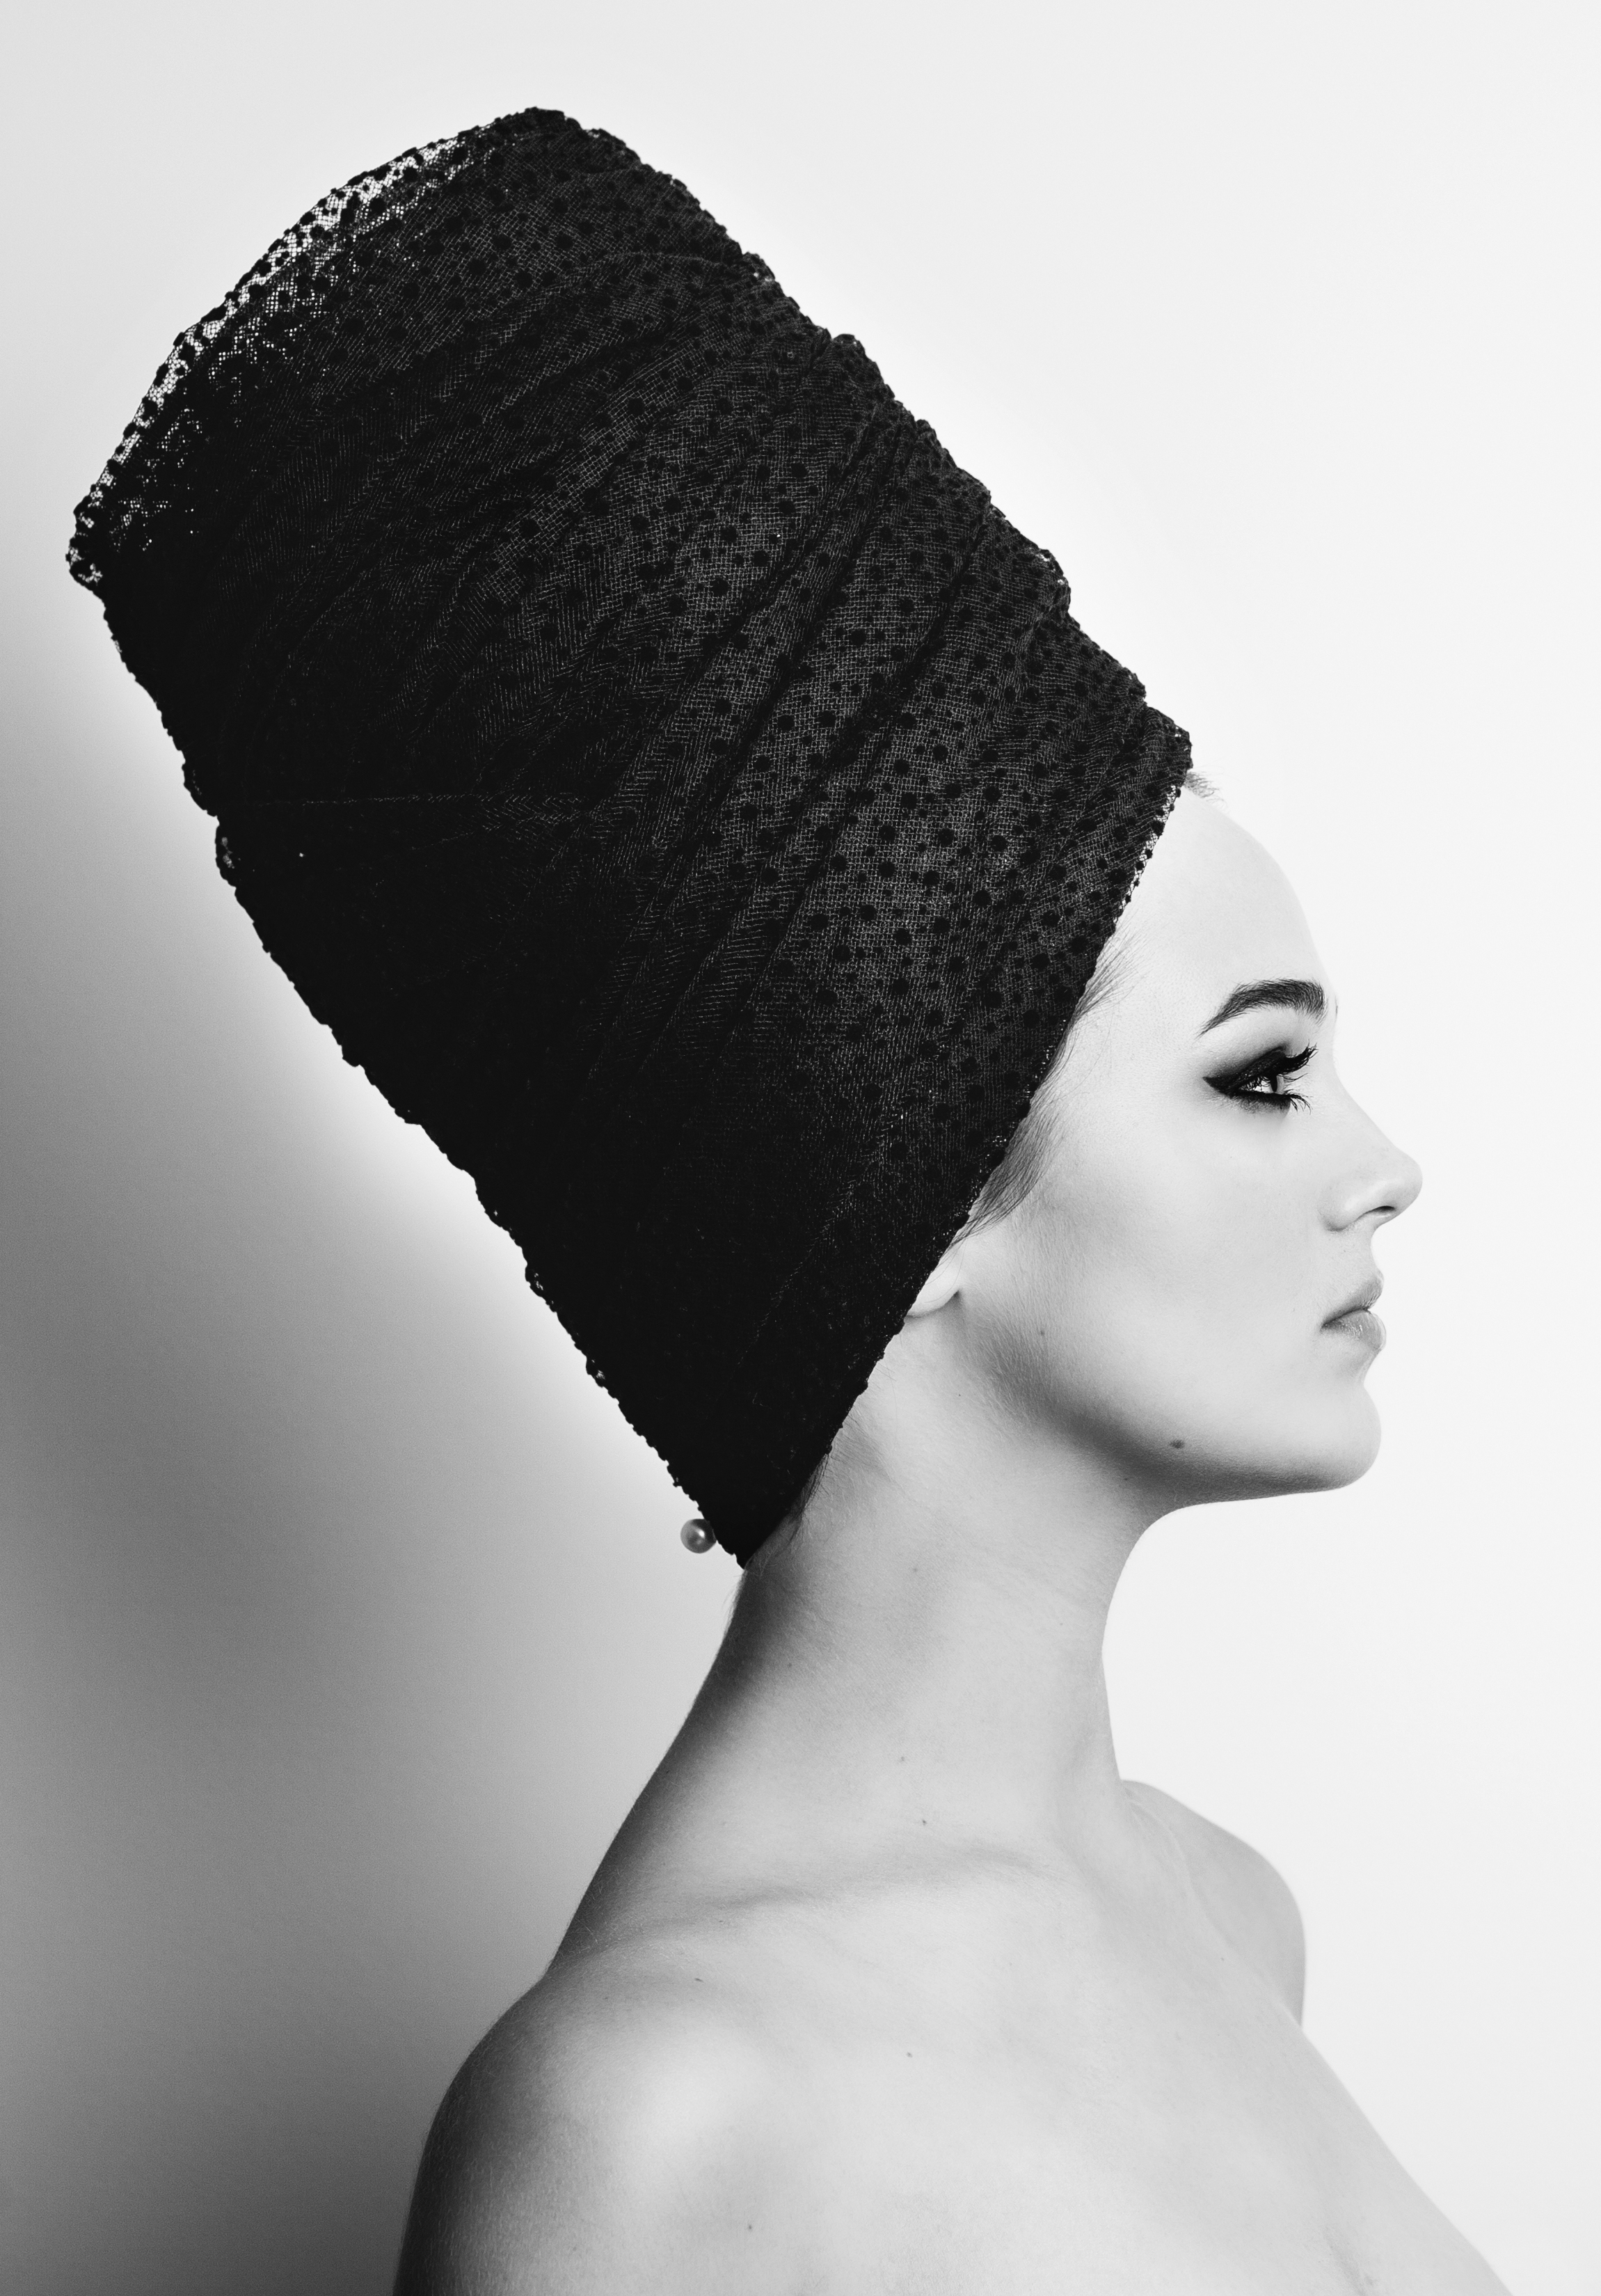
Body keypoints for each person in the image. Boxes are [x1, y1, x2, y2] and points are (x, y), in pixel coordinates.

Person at [67, 108, 1502, 2295]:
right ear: (906, 1193)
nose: (1381, 1167)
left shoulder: (1231, 1919)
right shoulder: (648, 2138)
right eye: (1259, 1075)